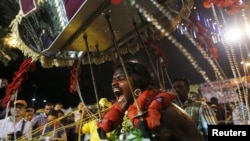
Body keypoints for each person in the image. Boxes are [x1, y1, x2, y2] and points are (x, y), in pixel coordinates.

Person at [97, 61, 205, 141]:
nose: (114, 83)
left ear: (139, 81)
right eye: (113, 80)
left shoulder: (165, 111)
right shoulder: (128, 113)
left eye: (120, 78)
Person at [172, 77, 218, 141]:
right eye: (174, 87)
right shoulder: (170, 108)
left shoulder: (201, 106)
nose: (176, 89)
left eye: (180, 87)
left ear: (188, 89)